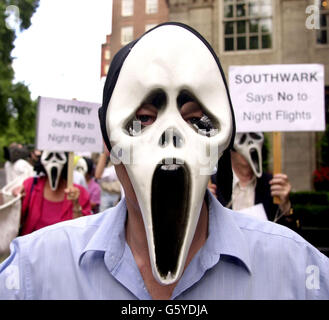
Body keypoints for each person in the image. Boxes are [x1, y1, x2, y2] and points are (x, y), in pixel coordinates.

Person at [0, 23, 329, 299]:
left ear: (222, 137)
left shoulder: (299, 274)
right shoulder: (34, 274)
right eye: (142, 117)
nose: (171, 137)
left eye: (196, 118)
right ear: (109, 140)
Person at [211, 132, 297, 229]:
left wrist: (286, 207)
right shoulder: (213, 185)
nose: (250, 144)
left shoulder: (273, 186)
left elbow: (293, 232)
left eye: (253, 135)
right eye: (242, 137)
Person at [14, 150, 92, 235]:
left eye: (58, 157)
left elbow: (83, 231)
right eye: (49, 156)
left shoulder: (79, 192)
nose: (54, 161)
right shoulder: (30, 185)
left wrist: (76, 204)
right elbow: (15, 219)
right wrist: (15, 199)